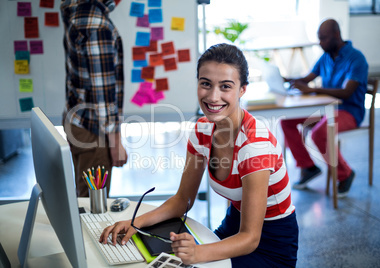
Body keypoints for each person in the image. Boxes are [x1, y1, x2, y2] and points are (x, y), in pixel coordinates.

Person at [100, 43, 299, 267]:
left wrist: (197, 253)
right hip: (235, 225)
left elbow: (250, 238)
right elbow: (182, 199)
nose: (213, 97)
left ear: (242, 90)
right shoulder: (202, 129)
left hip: (270, 241)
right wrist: (135, 223)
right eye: (206, 84)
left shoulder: (254, 146)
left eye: (225, 86)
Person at [281, 19, 368, 197]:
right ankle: (308, 167)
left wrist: (314, 89)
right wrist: (289, 80)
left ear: (337, 35)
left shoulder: (356, 58)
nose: (320, 43)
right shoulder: (326, 56)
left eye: (324, 38)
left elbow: (347, 93)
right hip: (325, 109)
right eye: (319, 38)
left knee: (319, 133)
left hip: (349, 111)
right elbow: (307, 78)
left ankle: (345, 174)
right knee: (287, 122)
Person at [61, 0, 127, 197]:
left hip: (78, 120)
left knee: (84, 198)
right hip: (94, 130)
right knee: (93, 206)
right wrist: (115, 143)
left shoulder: (75, 10)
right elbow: (103, 93)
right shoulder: (96, 24)